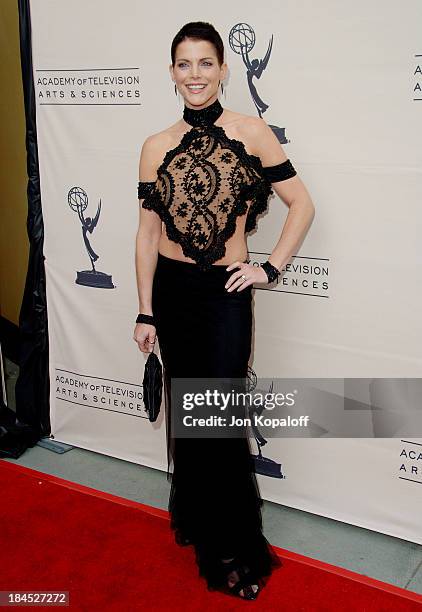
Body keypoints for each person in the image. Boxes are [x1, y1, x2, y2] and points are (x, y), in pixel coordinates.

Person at [134, 21, 315, 601]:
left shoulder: (252, 133)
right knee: (192, 415)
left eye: (205, 63)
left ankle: (234, 546)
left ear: (223, 69)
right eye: (184, 65)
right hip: (172, 293)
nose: (195, 75)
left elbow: (301, 204)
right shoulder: (155, 145)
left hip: (225, 293)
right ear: (171, 73)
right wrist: (145, 311)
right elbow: (145, 236)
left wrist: (271, 266)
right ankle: (200, 523)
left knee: (219, 418)